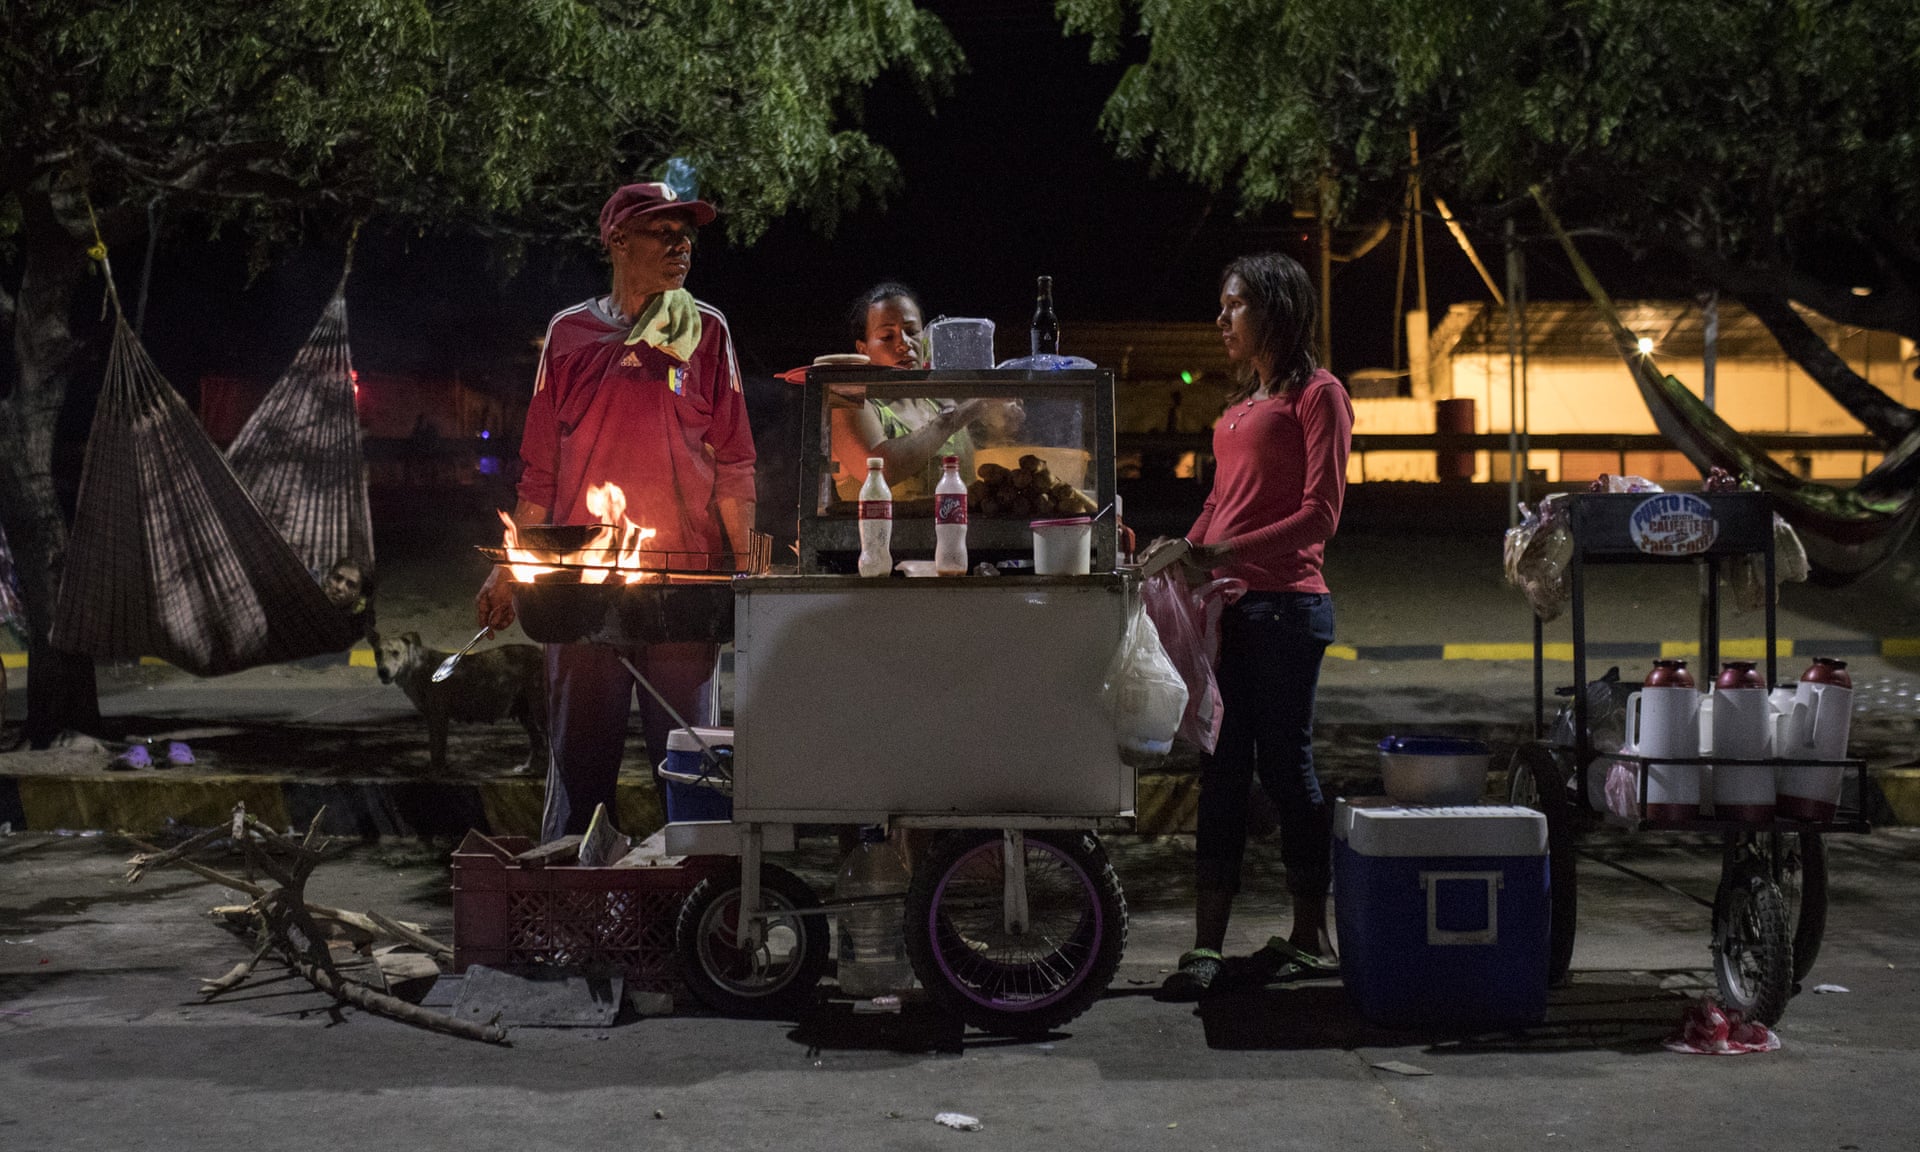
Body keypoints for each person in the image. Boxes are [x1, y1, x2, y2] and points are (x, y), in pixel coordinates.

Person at [476, 182, 756, 843]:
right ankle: (570, 914)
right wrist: (507, 574)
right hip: (580, 589)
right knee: (579, 771)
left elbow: (735, 462)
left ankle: (702, 918)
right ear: (619, 240)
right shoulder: (569, 334)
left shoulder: (706, 331)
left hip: (681, 587)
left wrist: (747, 575)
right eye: (664, 232)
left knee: (694, 773)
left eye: (687, 235)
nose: (681, 244)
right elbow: (539, 468)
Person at [1156, 251, 1354, 1000]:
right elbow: (1219, 504)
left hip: (1285, 607)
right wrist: (1173, 551)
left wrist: (1221, 551)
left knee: (1287, 768)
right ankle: (1206, 946)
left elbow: (1320, 514)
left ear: (1274, 309)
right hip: (1229, 610)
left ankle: (1311, 935)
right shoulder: (1241, 406)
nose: (1221, 319)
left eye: (1234, 305)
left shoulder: (1319, 396)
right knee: (1221, 772)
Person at [827, 283, 1018, 501]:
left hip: (955, 532)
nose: (904, 344)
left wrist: (1001, 426)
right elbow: (880, 469)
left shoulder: (939, 401)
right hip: (879, 535)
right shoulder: (845, 398)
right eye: (887, 337)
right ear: (863, 348)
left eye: (911, 332)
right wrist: (964, 413)